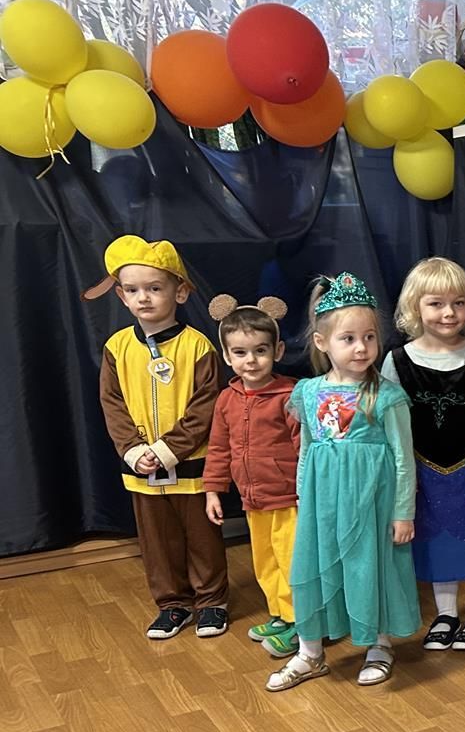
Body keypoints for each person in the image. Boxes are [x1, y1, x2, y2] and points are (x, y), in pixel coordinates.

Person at [266, 274, 420, 691]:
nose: (361, 348)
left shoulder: (386, 396)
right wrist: (303, 497)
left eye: (369, 337)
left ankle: (379, 645)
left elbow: (403, 459)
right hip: (323, 504)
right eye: (348, 339)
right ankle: (310, 653)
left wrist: (403, 512)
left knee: (371, 568)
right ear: (322, 342)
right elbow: (307, 450)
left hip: (371, 504)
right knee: (315, 569)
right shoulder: (309, 393)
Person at [92, 236, 229, 640]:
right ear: (121, 296)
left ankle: (212, 601)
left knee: (203, 538)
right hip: (142, 470)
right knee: (156, 542)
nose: (144, 298)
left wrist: (168, 449)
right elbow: (112, 403)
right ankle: (173, 605)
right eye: (133, 290)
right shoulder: (117, 348)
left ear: (180, 292)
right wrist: (133, 450)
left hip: (191, 466)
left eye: (154, 288)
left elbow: (206, 405)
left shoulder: (198, 346)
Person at [382, 257, 465, 655]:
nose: (449, 312)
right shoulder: (397, 361)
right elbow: (390, 423)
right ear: (415, 306)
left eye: (459, 303)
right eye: (436, 303)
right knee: (437, 544)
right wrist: (402, 473)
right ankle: (446, 614)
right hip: (422, 472)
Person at [203, 295, 301, 658]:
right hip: (252, 500)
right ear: (227, 356)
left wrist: (309, 490)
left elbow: (305, 448)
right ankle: (279, 614)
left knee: (292, 563)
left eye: (260, 351)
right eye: (241, 353)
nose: (251, 360)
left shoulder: (290, 395)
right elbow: (218, 447)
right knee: (265, 562)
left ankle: (302, 622)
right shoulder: (226, 399)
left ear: (278, 351)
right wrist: (213, 490)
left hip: (290, 499)